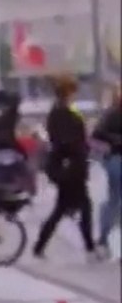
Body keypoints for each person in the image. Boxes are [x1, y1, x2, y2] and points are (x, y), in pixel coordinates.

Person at [31, 74, 97, 261]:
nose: (74, 95)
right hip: (70, 168)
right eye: (73, 91)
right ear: (67, 92)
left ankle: (39, 245)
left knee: (62, 209)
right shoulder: (61, 113)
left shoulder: (62, 110)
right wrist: (81, 147)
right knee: (83, 207)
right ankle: (90, 248)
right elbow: (66, 141)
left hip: (68, 167)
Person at [92, 85, 121, 261]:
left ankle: (104, 240)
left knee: (113, 201)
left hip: (115, 159)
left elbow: (98, 133)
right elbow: (98, 134)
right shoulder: (113, 114)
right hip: (117, 159)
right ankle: (104, 239)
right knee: (115, 201)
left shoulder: (111, 113)